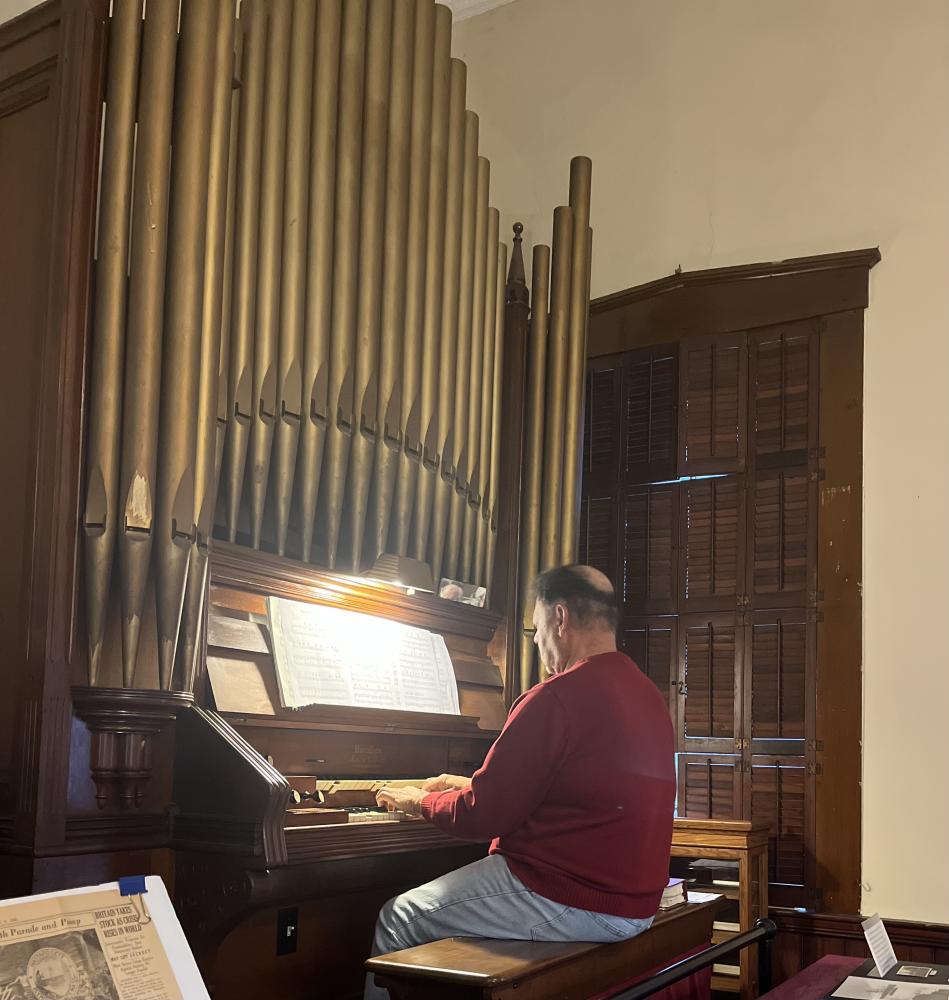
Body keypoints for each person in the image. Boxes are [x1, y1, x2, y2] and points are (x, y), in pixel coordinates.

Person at [365, 564, 676, 1000]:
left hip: (579, 898)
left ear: (560, 619)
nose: (534, 641)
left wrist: (417, 801)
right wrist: (466, 783)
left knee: (398, 918)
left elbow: (482, 815)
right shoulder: (647, 695)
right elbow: (573, 789)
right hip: (635, 901)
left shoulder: (557, 696)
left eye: (534, 628)